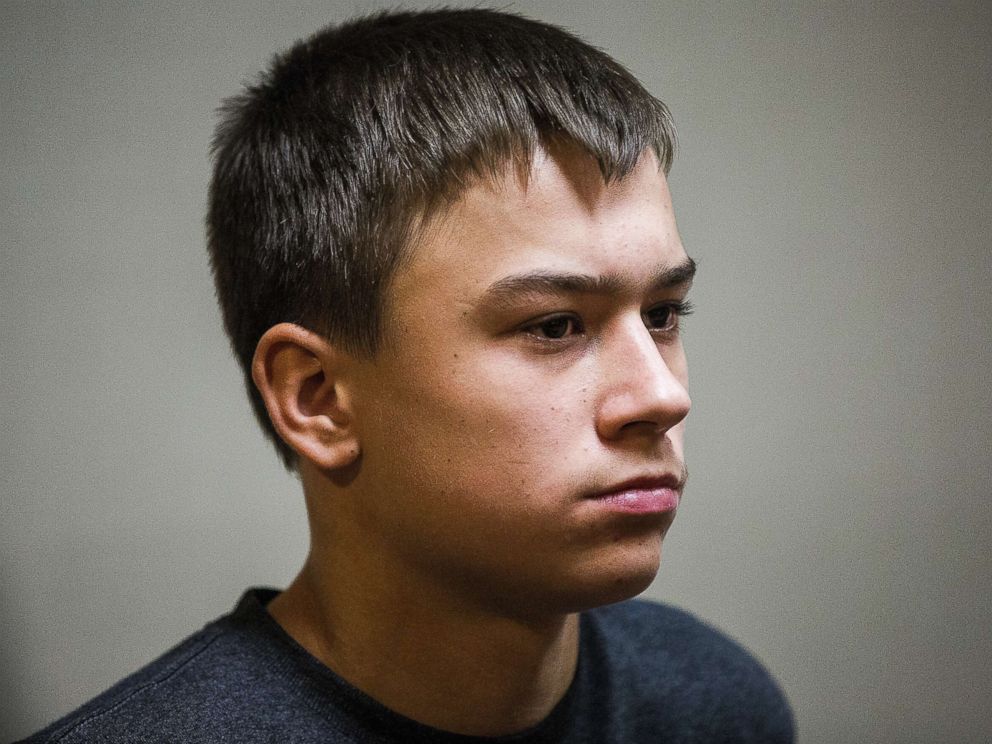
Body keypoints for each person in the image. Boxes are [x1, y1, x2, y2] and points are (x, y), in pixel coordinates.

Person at [22, 8, 794, 743]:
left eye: (663, 314)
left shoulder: (718, 705)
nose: (663, 396)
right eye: (555, 325)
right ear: (318, 399)